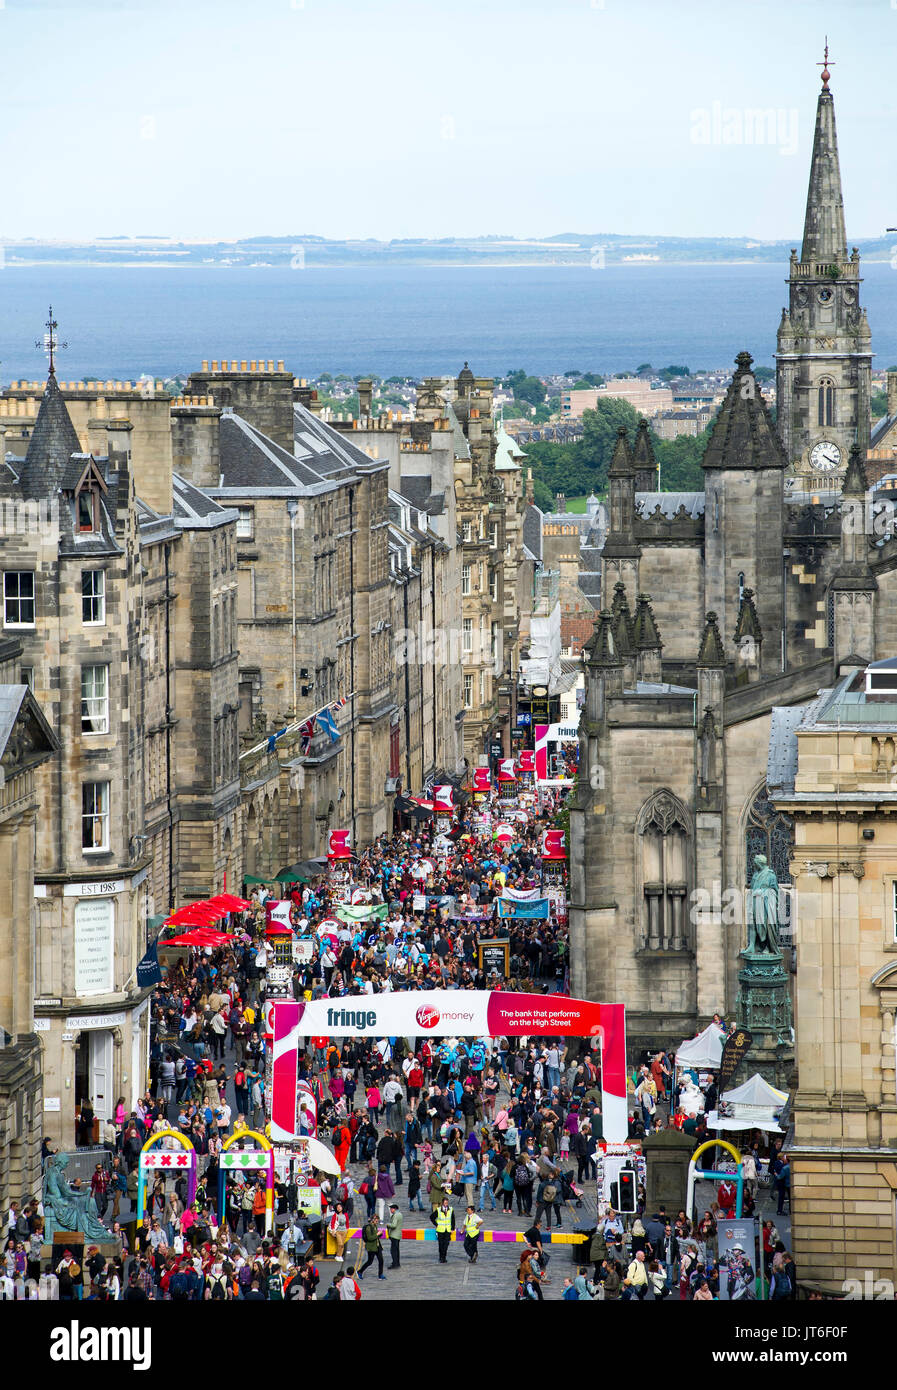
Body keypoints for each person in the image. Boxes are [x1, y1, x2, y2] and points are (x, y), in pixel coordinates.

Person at [431, 1196, 455, 1263]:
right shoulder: (438, 1210)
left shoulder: (451, 1209)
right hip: (440, 1230)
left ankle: (444, 1257)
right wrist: (436, 1224)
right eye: (445, 1203)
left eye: (447, 1203)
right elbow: (431, 1217)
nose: (446, 1204)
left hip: (448, 1230)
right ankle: (441, 1257)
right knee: (441, 1244)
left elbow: (453, 1219)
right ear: (442, 1203)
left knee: (446, 1244)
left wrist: (452, 1228)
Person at [386, 1203, 403, 1269]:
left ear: (394, 1209)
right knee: (397, 1250)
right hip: (398, 1235)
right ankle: (397, 1263)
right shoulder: (400, 1214)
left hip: (394, 1235)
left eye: (391, 1209)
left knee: (393, 1251)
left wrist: (388, 1224)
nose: (390, 1210)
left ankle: (395, 1264)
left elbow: (394, 1225)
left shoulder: (395, 1215)